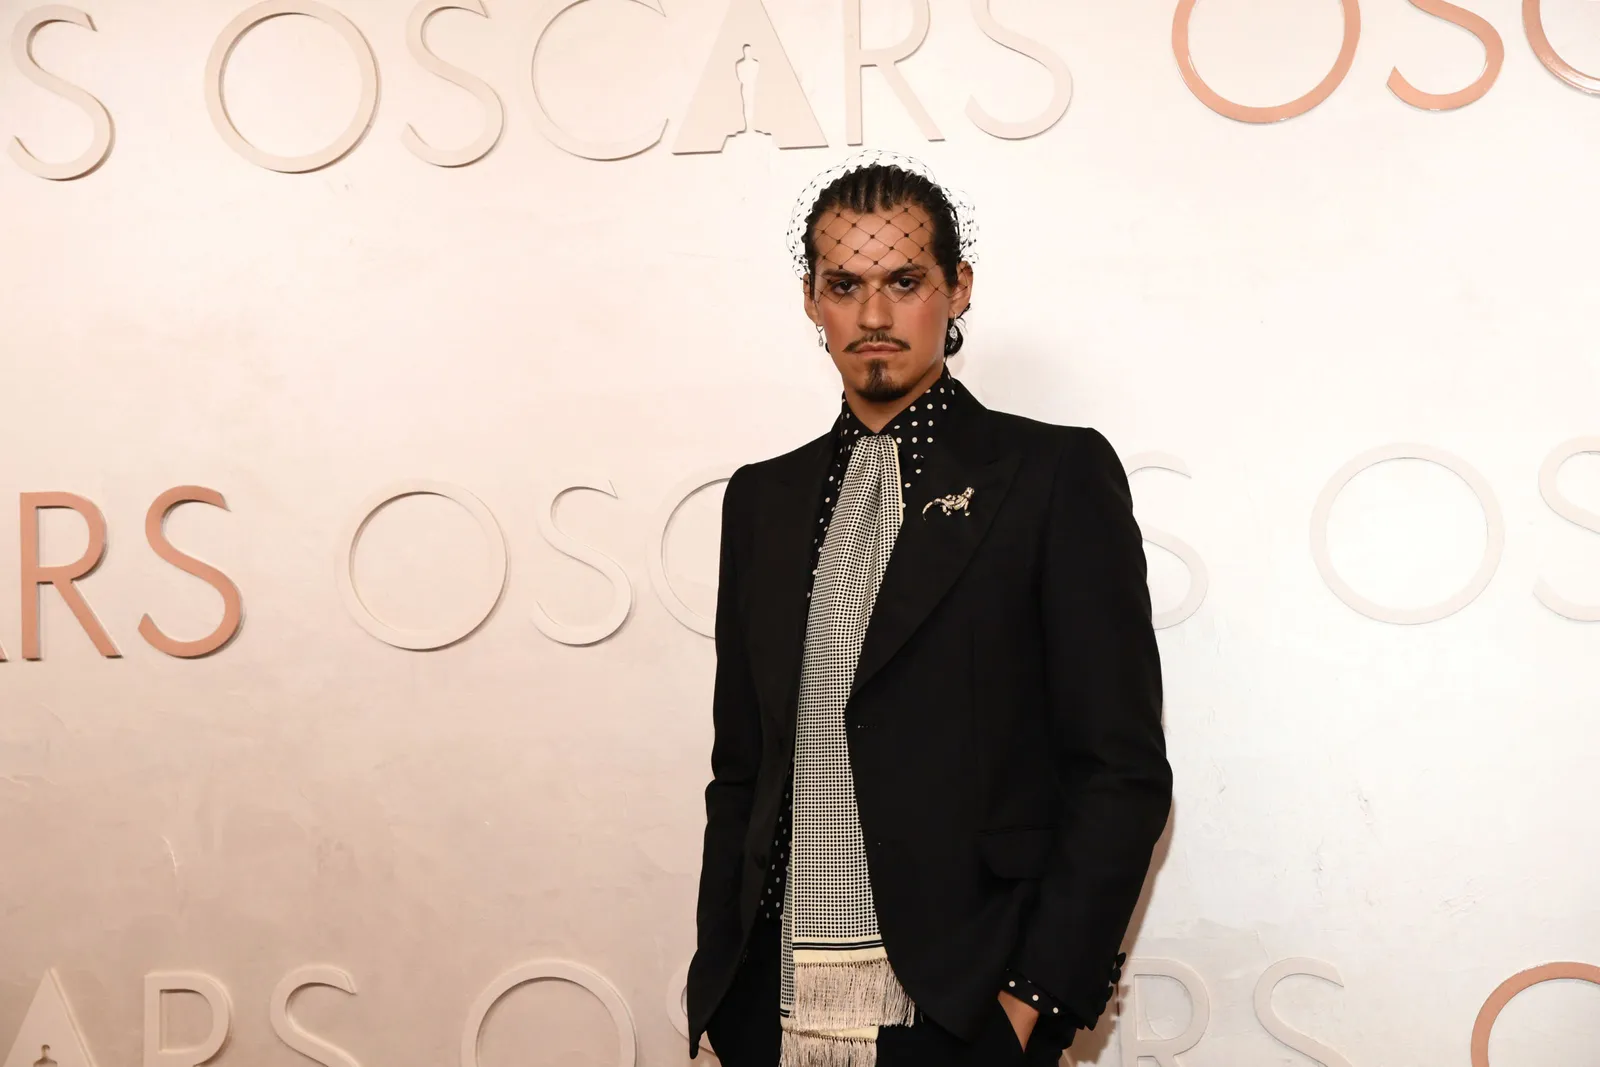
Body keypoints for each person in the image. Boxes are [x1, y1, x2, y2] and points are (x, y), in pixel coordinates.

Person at [686, 148, 1172, 1067]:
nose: (873, 314)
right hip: (765, 1006)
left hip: (959, 1010)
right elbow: (741, 769)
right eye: (845, 283)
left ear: (958, 289)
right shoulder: (763, 500)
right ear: (811, 300)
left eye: (905, 280)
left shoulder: (1051, 476)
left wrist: (1030, 999)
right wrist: (715, 977)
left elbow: (1121, 771)